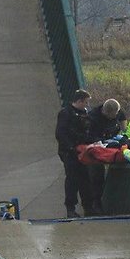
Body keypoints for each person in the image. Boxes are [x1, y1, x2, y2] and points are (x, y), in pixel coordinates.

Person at [54, 89, 93, 218]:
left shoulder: (85, 114)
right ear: (80, 101)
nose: (87, 105)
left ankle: (88, 206)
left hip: (83, 151)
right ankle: (70, 208)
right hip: (69, 152)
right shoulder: (66, 113)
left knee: (85, 180)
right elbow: (60, 133)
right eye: (86, 102)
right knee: (72, 179)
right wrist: (71, 148)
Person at [84, 98, 125, 214]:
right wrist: (100, 143)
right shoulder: (93, 118)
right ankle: (94, 204)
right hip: (94, 148)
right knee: (95, 177)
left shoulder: (117, 112)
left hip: (109, 142)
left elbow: (122, 119)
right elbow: (88, 136)